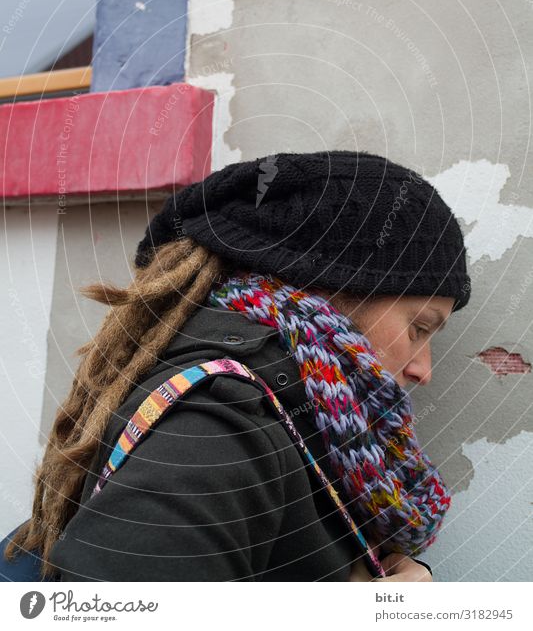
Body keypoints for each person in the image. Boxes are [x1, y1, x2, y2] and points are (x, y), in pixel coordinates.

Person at [2, 150, 471, 581]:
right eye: (420, 327)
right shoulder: (219, 427)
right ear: (328, 289)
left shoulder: (297, 414)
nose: (422, 370)